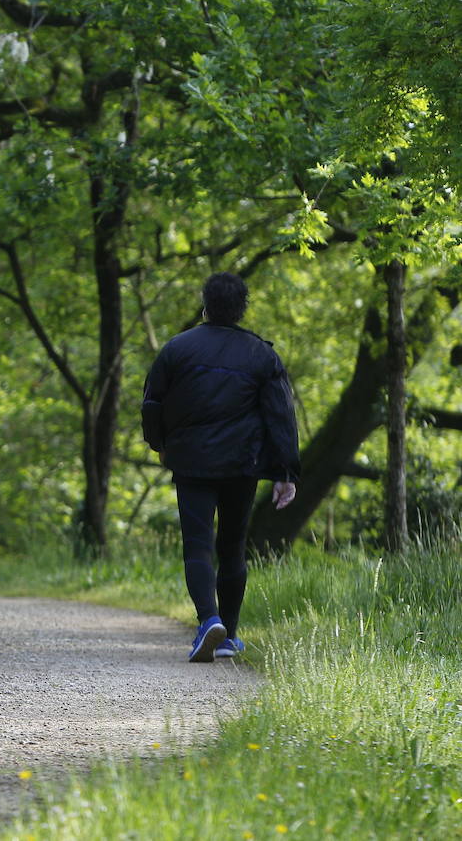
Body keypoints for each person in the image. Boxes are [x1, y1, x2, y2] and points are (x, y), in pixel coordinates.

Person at [142, 272, 300, 662]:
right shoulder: (262, 355)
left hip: (191, 461)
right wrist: (285, 472)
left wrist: (160, 444)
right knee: (232, 547)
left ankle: (208, 620)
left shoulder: (177, 349)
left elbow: (152, 406)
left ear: (205, 303)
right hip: (240, 465)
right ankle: (228, 635)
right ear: (242, 308)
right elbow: (281, 415)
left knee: (197, 544)